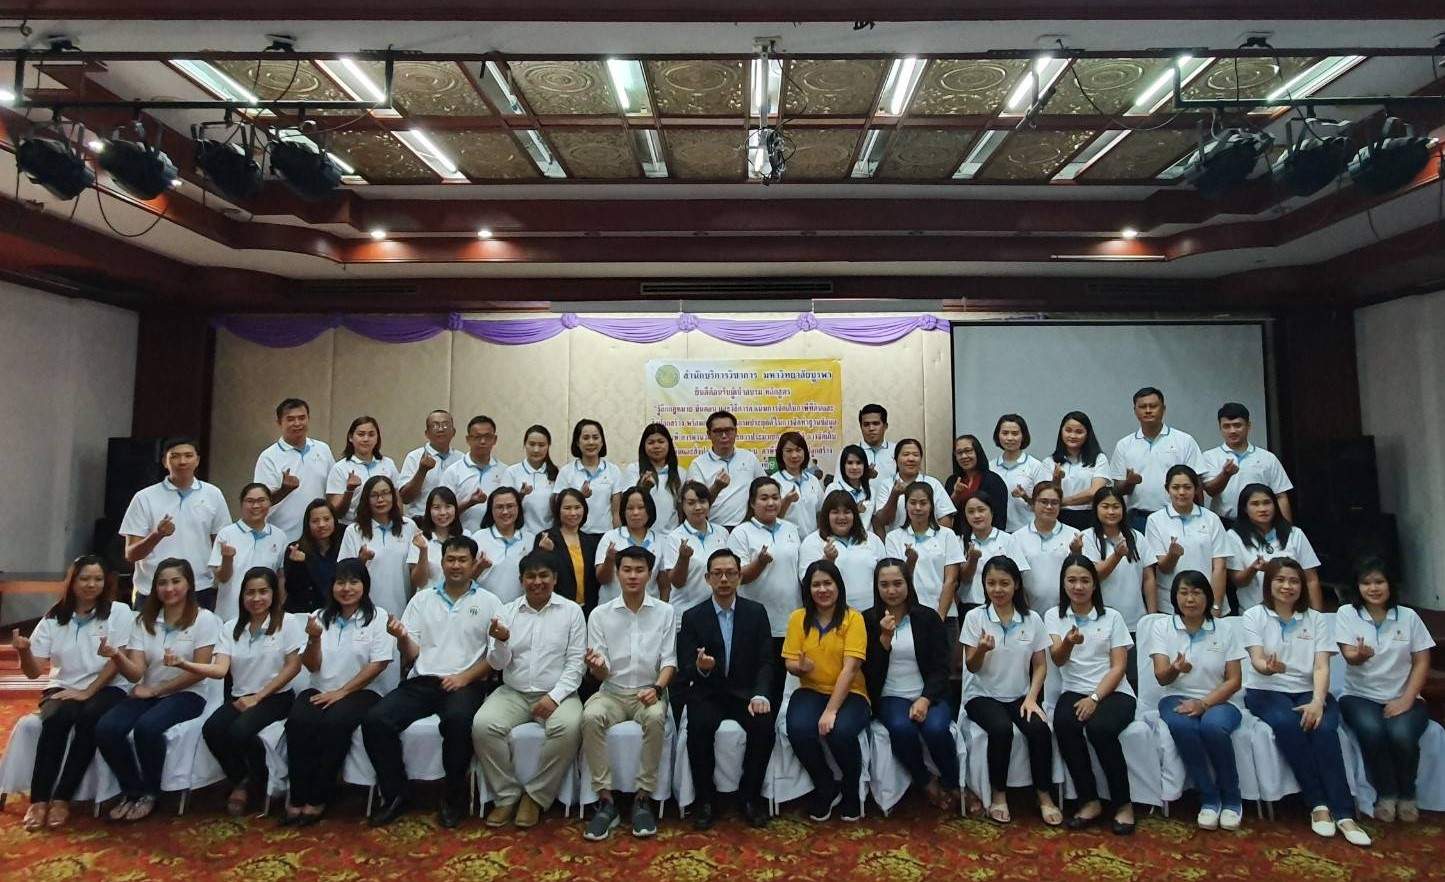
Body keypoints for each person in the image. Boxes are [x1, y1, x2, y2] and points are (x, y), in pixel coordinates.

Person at [365, 535, 501, 828]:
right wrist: (401, 637)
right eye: (450, 559)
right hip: (423, 680)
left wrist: (464, 678)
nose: (456, 565)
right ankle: (396, 794)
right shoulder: (422, 599)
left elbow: (496, 656)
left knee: (458, 722)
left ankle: (453, 798)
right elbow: (412, 653)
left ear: (473, 564)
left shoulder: (490, 602)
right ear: (442, 562)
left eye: (462, 560)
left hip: (465, 682)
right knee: (376, 720)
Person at [1241, 558, 1370, 845]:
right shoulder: (1254, 616)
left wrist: (1317, 701)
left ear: (1302, 585)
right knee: (1289, 724)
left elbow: (1322, 666)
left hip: (1308, 690)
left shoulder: (1316, 619)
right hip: (1266, 690)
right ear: (1269, 583)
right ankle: (1318, 804)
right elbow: (1257, 659)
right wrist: (1268, 668)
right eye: (1280, 580)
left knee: (1324, 729)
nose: (1287, 586)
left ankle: (1345, 814)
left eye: (1294, 581)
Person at [12, 555, 132, 831]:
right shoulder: (54, 617)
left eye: (98, 579)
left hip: (108, 687)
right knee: (55, 719)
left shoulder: (119, 612)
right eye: (85, 578)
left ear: (106, 582)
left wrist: (88, 691)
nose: (91, 584)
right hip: (63, 686)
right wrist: (24, 652)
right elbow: (34, 672)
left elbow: (118, 660)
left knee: (89, 718)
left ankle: (63, 797)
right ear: (72, 581)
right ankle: (39, 800)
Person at [95, 558, 221, 822]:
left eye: (176, 581)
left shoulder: (205, 619)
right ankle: (132, 790)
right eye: (162, 583)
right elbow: (136, 672)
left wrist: (157, 690)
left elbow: (199, 669)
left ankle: (151, 793)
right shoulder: (145, 621)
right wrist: (116, 655)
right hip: (149, 691)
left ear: (189, 584)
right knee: (107, 728)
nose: (169, 588)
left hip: (188, 693)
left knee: (147, 728)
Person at [473, 550, 586, 829]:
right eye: (530, 576)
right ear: (521, 580)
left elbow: (576, 664)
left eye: (543, 575)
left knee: (569, 727)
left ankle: (535, 796)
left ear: (555, 578)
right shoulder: (506, 612)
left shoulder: (571, 611)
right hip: (513, 692)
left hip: (559, 693)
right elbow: (497, 664)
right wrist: (501, 641)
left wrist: (554, 697)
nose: (537, 582)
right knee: (483, 725)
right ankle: (506, 796)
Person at [183, 567, 304, 816]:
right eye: (250, 593)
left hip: (275, 697)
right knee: (213, 729)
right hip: (241, 696)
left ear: (274, 594)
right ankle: (242, 779)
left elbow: (293, 666)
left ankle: (259, 783)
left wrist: (259, 697)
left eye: (263, 592)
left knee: (240, 731)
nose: (256, 598)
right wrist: (184, 664)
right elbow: (220, 669)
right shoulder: (231, 627)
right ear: (242, 596)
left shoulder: (288, 622)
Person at [282, 558, 394, 826]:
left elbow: (379, 664)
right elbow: (311, 665)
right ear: (331, 586)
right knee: (297, 722)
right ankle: (297, 796)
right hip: (320, 688)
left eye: (354, 582)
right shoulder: (319, 617)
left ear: (365, 585)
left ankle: (320, 796)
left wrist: (342, 692)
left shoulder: (378, 617)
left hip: (363, 691)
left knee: (334, 723)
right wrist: (314, 638)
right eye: (340, 582)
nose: (346, 588)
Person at [580, 547, 676, 840]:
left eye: (639, 570)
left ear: (650, 574)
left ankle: (643, 797)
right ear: (617, 573)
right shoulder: (600, 614)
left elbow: (669, 661)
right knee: (590, 716)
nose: (633, 576)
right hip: (611, 691)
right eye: (627, 570)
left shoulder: (665, 612)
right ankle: (605, 799)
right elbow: (601, 672)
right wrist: (597, 667)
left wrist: (657, 689)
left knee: (656, 718)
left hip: (649, 690)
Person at [676, 549, 776, 830]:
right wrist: (702, 668)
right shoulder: (693, 616)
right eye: (717, 574)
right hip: (709, 692)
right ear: (707, 578)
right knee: (698, 727)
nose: (724, 579)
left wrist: (760, 693)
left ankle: (749, 797)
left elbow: (766, 660)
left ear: (739, 577)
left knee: (764, 725)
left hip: (745, 693)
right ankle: (706, 800)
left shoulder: (756, 612)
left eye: (730, 573)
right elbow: (686, 667)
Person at [1334, 558, 1435, 824]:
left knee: (1401, 734)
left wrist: (1406, 699)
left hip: (1404, 695)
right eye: (1366, 583)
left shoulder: (1408, 616)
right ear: (1357, 587)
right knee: (1372, 731)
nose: (1373, 588)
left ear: (1390, 584)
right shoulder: (1347, 614)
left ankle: (1408, 794)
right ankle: (1387, 794)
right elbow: (1349, 656)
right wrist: (1360, 655)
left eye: (1379, 582)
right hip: (1359, 696)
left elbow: (1422, 661)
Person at [961, 555, 1059, 825]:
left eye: (1004, 583)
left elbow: (1040, 665)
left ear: (1016, 584)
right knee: (1001, 729)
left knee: (1039, 729)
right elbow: (971, 666)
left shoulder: (1032, 619)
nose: (997, 589)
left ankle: (1044, 795)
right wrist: (981, 650)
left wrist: (1032, 698)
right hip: (982, 696)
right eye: (991, 583)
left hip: (1020, 696)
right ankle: (999, 795)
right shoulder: (975, 617)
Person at [1148, 570, 1245, 831]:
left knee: (1213, 727)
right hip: (1175, 696)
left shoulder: (1224, 629)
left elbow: (1234, 680)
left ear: (1208, 596)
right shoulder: (1162, 627)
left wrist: (1204, 704)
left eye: (1196, 592)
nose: (1190, 599)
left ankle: (1232, 797)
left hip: (1220, 699)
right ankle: (1209, 797)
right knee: (1183, 726)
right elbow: (1161, 677)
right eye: (1184, 593)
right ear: (1175, 597)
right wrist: (1175, 669)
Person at [1046, 555, 1136, 835]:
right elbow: (1058, 659)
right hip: (1073, 689)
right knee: (1064, 724)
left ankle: (1123, 804)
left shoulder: (1112, 617)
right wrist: (1068, 643)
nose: (1078, 586)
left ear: (1095, 585)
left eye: (1085, 580)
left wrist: (1095, 698)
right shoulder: (1054, 616)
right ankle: (1089, 801)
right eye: (1072, 580)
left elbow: (1119, 667)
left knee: (1101, 729)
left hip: (1114, 692)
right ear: (1063, 584)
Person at [863, 558, 959, 810]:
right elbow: (868, 673)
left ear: (908, 584)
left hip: (929, 693)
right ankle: (925, 780)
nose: (891, 591)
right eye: (884, 585)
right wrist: (884, 640)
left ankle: (953, 783)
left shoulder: (928, 617)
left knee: (936, 729)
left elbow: (942, 666)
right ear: (876, 587)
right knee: (901, 728)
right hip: (890, 695)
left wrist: (925, 699)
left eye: (897, 583)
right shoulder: (867, 620)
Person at [782, 560, 871, 822]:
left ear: (838, 586)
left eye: (827, 583)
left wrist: (831, 710)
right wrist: (799, 668)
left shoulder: (853, 618)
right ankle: (825, 784)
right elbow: (789, 662)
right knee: (798, 729)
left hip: (851, 692)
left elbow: (850, 669)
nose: (822, 590)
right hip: (810, 689)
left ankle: (851, 789)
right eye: (816, 585)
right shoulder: (797, 618)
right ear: (808, 589)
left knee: (839, 732)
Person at [121, 436, 230, 608]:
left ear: (197, 460)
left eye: (188, 455)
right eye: (175, 456)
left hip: (199, 588)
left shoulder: (213, 494)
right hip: (153, 589)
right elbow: (131, 554)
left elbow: (222, 545)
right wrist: (157, 535)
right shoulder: (144, 497)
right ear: (165, 462)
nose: (182, 461)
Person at [728, 476, 803, 705]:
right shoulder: (741, 533)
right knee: (758, 685)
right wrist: (760, 562)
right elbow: (738, 577)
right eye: (764, 498)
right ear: (752, 503)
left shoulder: (791, 529)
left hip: (789, 619)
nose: (770, 503)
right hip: (756, 622)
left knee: (782, 686)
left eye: (775, 497)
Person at [1110, 388, 1204, 534]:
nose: (1148, 410)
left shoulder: (1184, 441)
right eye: (1143, 407)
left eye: (1153, 406)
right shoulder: (1124, 445)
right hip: (1137, 518)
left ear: (1163, 409)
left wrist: (1200, 518)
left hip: (1175, 516)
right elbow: (1117, 490)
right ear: (1135, 411)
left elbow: (1196, 484)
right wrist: (1129, 482)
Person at [884, 483, 965, 646]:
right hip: (908, 617)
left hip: (944, 615)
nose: (918, 508)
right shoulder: (893, 537)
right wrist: (910, 562)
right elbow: (898, 579)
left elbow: (951, 580)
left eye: (923, 503)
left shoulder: (947, 535)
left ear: (931, 506)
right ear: (906, 506)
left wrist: (939, 618)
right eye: (913, 503)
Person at [1225, 483, 1322, 613]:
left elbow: (1311, 579)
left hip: (1295, 612)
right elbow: (1238, 581)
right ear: (1245, 509)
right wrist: (1253, 569)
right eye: (1255, 504)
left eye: (1267, 503)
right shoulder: (1233, 536)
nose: (1262, 509)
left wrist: (1318, 615)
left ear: (1275, 505)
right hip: (1254, 613)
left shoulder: (1294, 533)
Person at [1145, 466, 1229, 616]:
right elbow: (1163, 568)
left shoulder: (1211, 519)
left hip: (1208, 603)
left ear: (1196, 489)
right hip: (1170, 606)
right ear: (1167, 489)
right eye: (1175, 487)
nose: (1181, 492)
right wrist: (1173, 555)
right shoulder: (1155, 520)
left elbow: (1220, 567)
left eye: (1187, 487)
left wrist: (1215, 607)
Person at [254, 398, 337, 542]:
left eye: (302, 418)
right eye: (290, 419)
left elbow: (333, 492)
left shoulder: (323, 449)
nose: (297, 423)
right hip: (283, 537)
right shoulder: (268, 457)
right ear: (279, 423)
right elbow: (260, 503)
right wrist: (284, 490)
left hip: (319, 536)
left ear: (308, 419)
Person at [1200, 403, 1293, 526]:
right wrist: (1225, 475)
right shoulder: (1210, 456)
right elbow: (1210, 491)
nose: (1232, 431)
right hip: (1224, 523)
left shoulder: (1267, 458)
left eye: (1237, 425)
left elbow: (1280, 495)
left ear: (1248, 426)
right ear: (1220, 428)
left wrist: (1287, 530)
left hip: (1261, 524)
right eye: (1226, 426)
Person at [339, 475, 419, 616]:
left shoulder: (408, 526)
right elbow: (343, 574)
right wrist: (361, 560)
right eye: (374, 495)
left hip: (402, 610)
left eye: (385, 493)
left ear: (393, 496)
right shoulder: (354, 531)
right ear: (366, 499)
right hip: (364, 612)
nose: (380, 499)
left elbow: (416, 573)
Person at [208, 482, 288, 622]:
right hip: (230, 614)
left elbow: (281, 577)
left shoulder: (279, 536)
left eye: (261, 500)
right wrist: (227, 559)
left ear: (270, 502)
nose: (256, 506)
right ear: (241, 504)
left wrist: (279, 608)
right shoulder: (226, 534)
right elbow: (221, 578)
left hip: (265, 616)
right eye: (250, 501)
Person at [1084, 486, 1155, 638]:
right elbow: (1094, 575)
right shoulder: (1087, 538)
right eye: (1105, 507)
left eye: (1116, 507)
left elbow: (1149, 578)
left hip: (1136, 621)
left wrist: (1152, 616)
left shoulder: (1137, 537)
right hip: (1099, 621)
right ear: (1096, 509)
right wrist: (1116, 556)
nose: (1111, 511)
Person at [799, 489, 886, 612]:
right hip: (833, 614)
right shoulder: (812, 542)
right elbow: (806, 581)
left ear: (854, 515)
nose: (841, 517)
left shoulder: (872, 539)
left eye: (847, 512)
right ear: (826, 515)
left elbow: (885, 575)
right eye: (835, 512)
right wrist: (827, 561)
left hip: (872, 612)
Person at [660, 481, 732, 627]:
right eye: (691, 503)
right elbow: (677, 582)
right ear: (682, 506)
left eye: (702, 501)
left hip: (720, 614)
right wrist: (683, 558)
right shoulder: (674, 537)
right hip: (686, 615)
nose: (698, 507)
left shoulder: (722, 533)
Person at [685, 410, 767, 529]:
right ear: (708, 434)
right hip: (712, 529)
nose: (724, 436)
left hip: (747, 528)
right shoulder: (698, 464)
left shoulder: (749, 457)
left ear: (736, 432)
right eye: (718, 431)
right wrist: (716, 487)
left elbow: (764, 489)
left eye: (728, 430)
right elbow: (695, 505)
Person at [1010, 483, 1081, 613]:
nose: (1049, 507)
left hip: (1067, 612)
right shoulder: (1017, 538)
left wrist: (1077, 552)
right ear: (1033, 503)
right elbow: (1014, 578)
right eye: (1044, 502)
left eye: (1054, 503)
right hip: (1029, 612)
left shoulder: (1074, 535)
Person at [534, 488, 603, 615]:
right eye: (567, 508)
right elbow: (542, 575)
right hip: (556, 610)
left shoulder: (591, 541)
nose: (573, 513)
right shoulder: (546, 538)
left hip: (588, 609)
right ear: (558, 510)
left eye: (577, 507)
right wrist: (550, 552)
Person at [595, 486, 663, 604]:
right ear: (623, 511)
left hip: (649, 607)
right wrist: (609, 559)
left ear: (649, 510)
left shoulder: (661, 541)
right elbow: (602, 579)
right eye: (630, 508)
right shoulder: (610, 537)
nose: (635, 513)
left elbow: (664, 584)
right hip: (612, 607)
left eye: (641, 507)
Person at [871, 439, 956, 535]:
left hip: (930, 541)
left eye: (915, 455)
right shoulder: (887, 484)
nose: (911, 459)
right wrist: (894, 495)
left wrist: (934, 539)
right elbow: (882, 521)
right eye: (906, 454)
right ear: (896, 459)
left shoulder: (933, 483)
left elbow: (945, 517)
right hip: (898, 541)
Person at [326, 416, 399, 525]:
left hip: (385, 526)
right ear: (351, 437)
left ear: (377, 438)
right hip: (351, 526)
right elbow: (337, 513)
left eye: (371, 434)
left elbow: (397, 500)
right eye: (361, 434)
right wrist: (349, 490)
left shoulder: (388, 463)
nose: (366, 439)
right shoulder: (340, 468)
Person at [554, 418, 623, 534]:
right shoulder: (566, 471)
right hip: (575, 535)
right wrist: (579, 496)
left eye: (595, 437)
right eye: (586, 438)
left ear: (602, 442)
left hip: (605, 535)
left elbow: (616, 513)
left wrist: (618, 537)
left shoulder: (613, 470)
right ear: (577, 442)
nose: (591, 442)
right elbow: (558, 508)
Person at [443, 415, 510, 533]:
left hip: (495, 538)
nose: (482, 441)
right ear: (468, 439)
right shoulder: (453, 471)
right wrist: (470, 502)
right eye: (477, 437)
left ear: (494, 439)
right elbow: (442, 513)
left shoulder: (505, 471)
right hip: (461, 537)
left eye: (487, 437)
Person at [956, 493, 1020, 617]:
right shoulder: (959, 541)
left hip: (1002, 604)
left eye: (981, 510)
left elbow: (1018, 575)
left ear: (991, 511)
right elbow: (963, 579)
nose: (976, 515)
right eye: (971, 512)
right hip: (969, 606)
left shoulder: (1007, 539)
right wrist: (972, 559)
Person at [1045, 412, 1111, 531]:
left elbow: (1095, 492)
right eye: (1068, 430)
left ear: (1087, 434)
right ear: (1061, 432)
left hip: (1089, 517)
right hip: (1059, 517)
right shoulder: (1049, 461)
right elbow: (1048, 495)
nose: (1073, 435)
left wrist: (1063, 501)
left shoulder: (1099, 459)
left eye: (1079, 432)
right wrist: (1056, 480)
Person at [473, 486, 536, 604]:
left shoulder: (530, 540)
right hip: (483, 607)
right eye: (499, 507)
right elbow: (465, 581)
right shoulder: (478, 538)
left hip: (520, 609)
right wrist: (479, 568)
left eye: (510, 506)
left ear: (518, 508)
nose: (505, 512)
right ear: (491, 510)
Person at [990, 414, 1052, 532]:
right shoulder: (990, 467)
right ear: (998, 436)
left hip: (1027, 530)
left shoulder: (1036, 466)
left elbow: (1046, 502)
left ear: (1023, 436)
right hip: (997, 531)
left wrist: (1025, 497)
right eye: (1005, 433)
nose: (1009, 438)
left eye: (1015, 433)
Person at [398, 409, 463, 518]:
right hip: (421, 520)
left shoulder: (461, 459)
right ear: (426, 433)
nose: (441, 429)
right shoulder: (414, 457)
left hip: (452, 520)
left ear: (453, 432)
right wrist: (422, 470)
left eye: (445, 425)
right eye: (435, 425)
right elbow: (405, 498)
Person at [282, 498, 341, 614]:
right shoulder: (295, 549)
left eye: (326, 519)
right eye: (315, 521)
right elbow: (291, 588)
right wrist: (297, 565)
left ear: (334, 520)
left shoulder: (343, 547)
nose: (321, 525)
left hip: (334, 612)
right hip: (303, 614)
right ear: (307, 524)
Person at [623, 423, 682, 533]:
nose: (656, 446)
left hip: (671, 536)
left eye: (661, 441)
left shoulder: (680, 472)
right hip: (641, 535)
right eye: (651, 442)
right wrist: (643, 488)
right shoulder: (634, 470)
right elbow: (626, 504)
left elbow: (682, 508)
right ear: (643, 446)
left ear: (669, 444)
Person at [945, 434, 1008, 536]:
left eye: (968, 451)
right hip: (959, 539)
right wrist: (955, 495)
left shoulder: (993, 480)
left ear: (977, 452)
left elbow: (1000, 517)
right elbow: (944, 515)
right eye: (959, 453)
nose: (964, 456)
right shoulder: (952, 481)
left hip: (988, 539)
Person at [407, 486, 464, 592]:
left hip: (458, 598)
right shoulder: (420, 539)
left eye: (448, 506)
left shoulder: (466, 536)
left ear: (455, 509)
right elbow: (419, 583)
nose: (443, 512)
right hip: (428, 599)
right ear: (429, 511)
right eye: (436, 507)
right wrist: (423, 551)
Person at [506, 424, 560, 532]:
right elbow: (503, 506)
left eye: (541, 445)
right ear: (525, 445)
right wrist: (520, 495)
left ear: (548, 446)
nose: (536, 450)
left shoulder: (557, 473)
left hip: (549, 535)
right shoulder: (511, 472)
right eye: (532, 444)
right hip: (519, 535)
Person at [773, 431, 825, 537]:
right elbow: (770, 518)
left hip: (811, 542)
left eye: (798, 450)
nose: (794, 455)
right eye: (789, 451)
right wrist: (786, 502)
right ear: (781, 454)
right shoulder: (774, 481)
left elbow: (821, 512)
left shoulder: (813, 480)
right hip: (786, 541)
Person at [837, 403, 896, 486]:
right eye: (866, 424)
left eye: (876, 423)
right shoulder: (847, 453)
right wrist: (864, 477)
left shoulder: (897, 451)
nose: (871, 428)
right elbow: (838, 486)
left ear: (885, 426)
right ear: (861, 427)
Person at [822, 444, 874, 514]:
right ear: (843, 466)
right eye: (850, 463)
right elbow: (825, 516)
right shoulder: (833, 488)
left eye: (859, 463)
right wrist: (854, 512)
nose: (854, 467)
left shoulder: (871, 491)